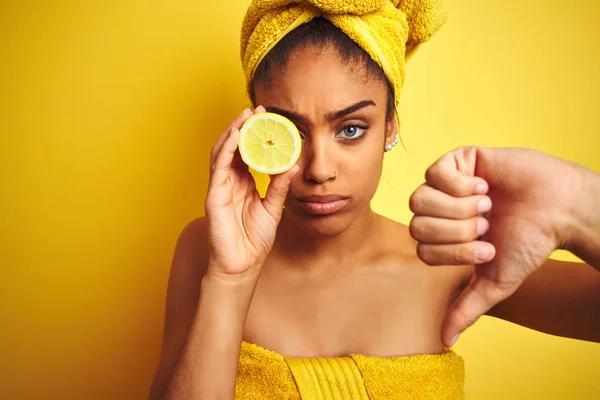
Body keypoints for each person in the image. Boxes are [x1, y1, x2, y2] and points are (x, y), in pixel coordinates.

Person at [149, 1, 600, 399]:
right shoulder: (208, 250)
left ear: (389, 127)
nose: (319, 169)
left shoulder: (455, 258)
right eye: (293, 131)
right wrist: (231, 281)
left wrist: (581, 209)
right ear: (257, 134)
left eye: (350, 129)